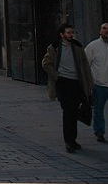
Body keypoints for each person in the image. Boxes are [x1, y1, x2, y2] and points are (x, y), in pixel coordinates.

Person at [42, 23, 93, 153]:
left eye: (72, 32)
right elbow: (46, 64)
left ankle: (73, 140)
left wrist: (89, 84)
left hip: (76, 82)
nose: (71, 35)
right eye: (68, 32)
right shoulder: (54, 47)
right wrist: (56, 75)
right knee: (68, 111)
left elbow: (85, 66)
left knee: (74, 111)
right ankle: (68, 141)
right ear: (62, 34)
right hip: (63, 83)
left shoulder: (78, 47)